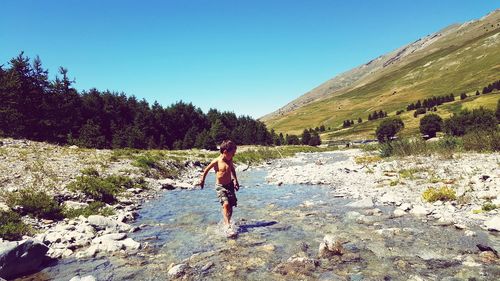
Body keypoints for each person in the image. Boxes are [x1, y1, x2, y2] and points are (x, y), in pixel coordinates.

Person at [199, 140, 240, 235]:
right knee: (225, 204)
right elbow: (206, 170)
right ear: (225, 151)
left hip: (230, 185)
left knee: (230, 205)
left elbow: (232, 170)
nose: (233, 155)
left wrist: (236, 181)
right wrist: (202, 180)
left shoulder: (229, 160)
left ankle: (228, 221)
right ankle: (227, 225)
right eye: (232, 153)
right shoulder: (216, 161)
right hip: (220, 186)